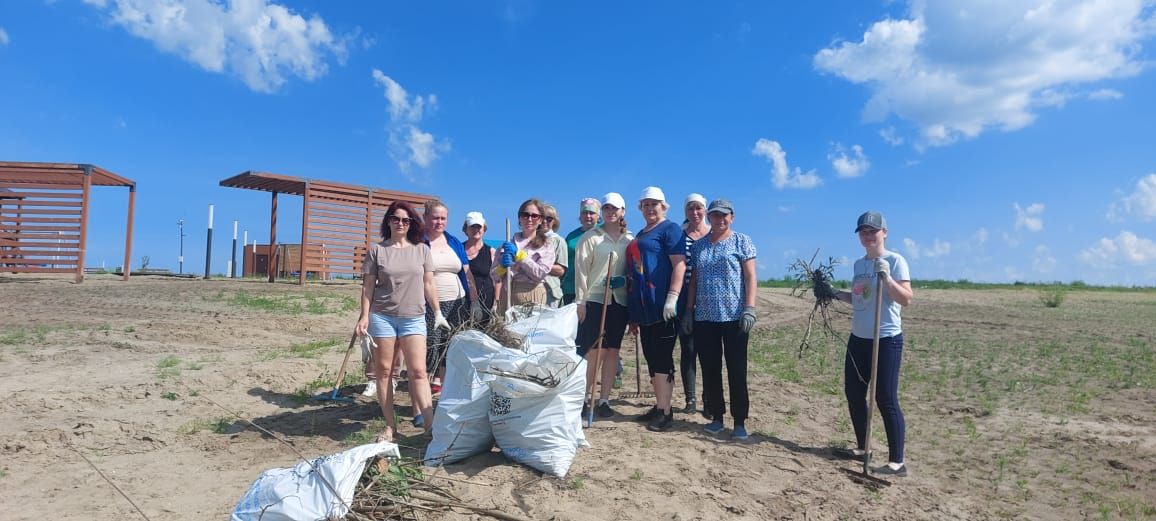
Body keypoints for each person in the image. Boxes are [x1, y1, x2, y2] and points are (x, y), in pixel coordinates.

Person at [819, 211, 913, 476]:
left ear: (884, 232)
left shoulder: (895, 261)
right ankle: (863, 447)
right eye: (863, 231)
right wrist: (834, 293)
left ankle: (897, 462)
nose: (868, 235)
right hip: (858, 338)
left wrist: (887, 278)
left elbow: (906, 298)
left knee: (885, 397)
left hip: (886, 339)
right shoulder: (859, 265)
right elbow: (860, 299)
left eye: (873, 231)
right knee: (854, 393)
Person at [355, 201, 447, 442]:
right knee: (384, 372)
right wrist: (364, 316)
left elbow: (428, 283)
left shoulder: (421, 250)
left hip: (414, 318)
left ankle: (429, 425)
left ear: (412, 224)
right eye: (396, 219)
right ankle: (390, 427)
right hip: (383, 317)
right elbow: (367, 287)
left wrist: (437, 312)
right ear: (388, 221)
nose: (400, 224)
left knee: (418, 371)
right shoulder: (377, 251)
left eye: (405, 220)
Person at [680, 199, 758, 440]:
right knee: (710, 368)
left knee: (736, 369)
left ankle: (739, 421)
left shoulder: (742, 241)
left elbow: (750, 276)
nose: (720, 219)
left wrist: (750, 308)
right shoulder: (699, 246)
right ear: (709, 218)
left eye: (724, 215)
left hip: (735, 318)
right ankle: (716, 416)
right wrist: (689, 310)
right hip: (705, 318)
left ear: (732, 217)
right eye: (715, 215)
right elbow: (693, 280)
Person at [625, 186, 686, 432]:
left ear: (664, 206)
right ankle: (659, 404)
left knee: (662, 358)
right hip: (644, 307)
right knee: (651, 357)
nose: (650, 208)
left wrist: (672, 297)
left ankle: (666, 412)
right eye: (646, 205)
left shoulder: (670, 229)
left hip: (663, 307)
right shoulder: (641, 232)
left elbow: (679, 265)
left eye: (655, 204)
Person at [574, 192, 633, 420]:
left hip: (619, 302)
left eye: (615, 209)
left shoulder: (629, 238)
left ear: (622, 212)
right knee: (595, 352)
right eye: (607, 208)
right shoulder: (590, 238)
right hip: (596, 299)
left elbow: (634, 269)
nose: (610, 212)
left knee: (612, 351)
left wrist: (626, 281)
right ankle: (584, 397)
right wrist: (581, 301)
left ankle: (605, 399)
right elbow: (581, 272)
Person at [422, 200, 480, 401]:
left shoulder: (453, 242)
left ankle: (446, 388)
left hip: (458, 301)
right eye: (435, 218)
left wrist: (474, 301)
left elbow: (466, 272)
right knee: (431, 344)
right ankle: (426, 387)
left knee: (451, 344)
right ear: (426, 219)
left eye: (443, 218)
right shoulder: (420, 242)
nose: (439, 222)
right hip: (431, 304)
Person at [492, 198, 557, 310]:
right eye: (525, 215)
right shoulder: (507, 244)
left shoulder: (547, 245)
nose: (529, 219)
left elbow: (540, 274)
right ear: (519, 218)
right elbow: (494, 276)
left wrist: (520, 256)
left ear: (541, 220)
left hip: (532, 294)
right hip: (508, 295)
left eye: (534, 216)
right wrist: (502, 267)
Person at [678, 193, 710, 414]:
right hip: (683, 300)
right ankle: (690, 398)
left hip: (709, 300)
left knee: (709, 352)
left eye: (699, 208)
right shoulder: (680, 236)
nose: (695, 213)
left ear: (705, 210)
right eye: (690, 209)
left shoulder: (714, 234)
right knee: (688, 350)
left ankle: (710, 399)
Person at [562, 198, 600, 305]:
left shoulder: (603, 234)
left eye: (592, 213)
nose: (588, 216)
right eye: (584, 213)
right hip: (571, 288)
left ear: (598, 216)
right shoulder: (571, 237)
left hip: (595, 289)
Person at [463, 211, 497, 325]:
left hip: (485, 302)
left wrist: (496, 304)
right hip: (461, 302)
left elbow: (497, 280)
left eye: (479, 227)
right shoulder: (458, 249)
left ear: (484, 229)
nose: (476, 229)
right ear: (466, 229)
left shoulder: (491, 252)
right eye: (472, 226)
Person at [542, 204, 568, 308]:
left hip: (550, 292)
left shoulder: (559, 241)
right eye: (541, 217)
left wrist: (538, 266)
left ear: (554, 222)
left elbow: (561, 270)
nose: (544, 221)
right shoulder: (528, 240)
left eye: (549, 219)